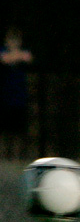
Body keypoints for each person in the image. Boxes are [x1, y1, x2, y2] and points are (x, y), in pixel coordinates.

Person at [0, 26, 34, 159]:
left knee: (19, 131)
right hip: (4, 97)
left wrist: (15, 56)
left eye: (16, 40)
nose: (13, 42)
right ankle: (4, 156)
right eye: (11, 39)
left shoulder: (24, 51)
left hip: (20, 99)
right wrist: (16, 57)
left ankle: (17, 156)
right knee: (4, 130)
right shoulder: (2, 50)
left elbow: (28, 57)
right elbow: (4, 59)